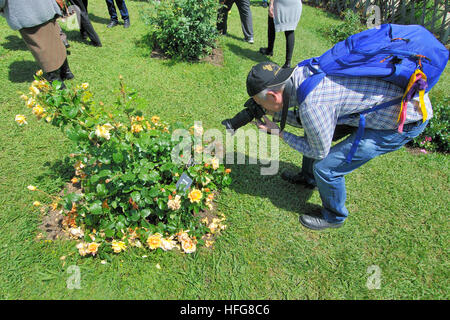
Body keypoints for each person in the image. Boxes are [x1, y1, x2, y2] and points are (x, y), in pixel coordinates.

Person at [245, 61, 433, 230]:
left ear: (272, 95)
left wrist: (280, 133)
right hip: (383, 105)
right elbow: (309, 121)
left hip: (401, 122)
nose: (262, 107)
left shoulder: (313, 104)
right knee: (314, 132)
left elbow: (317, 150)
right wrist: (276, 116)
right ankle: (308, 178)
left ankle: (335, 216)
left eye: (260, 103)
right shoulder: (301, 73)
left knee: (326, 167)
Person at [0, 0, 74, 86]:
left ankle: (56, 81)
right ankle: (66, 72)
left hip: (25, 13)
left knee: (40, 48)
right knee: (56, 40)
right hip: (45, 8)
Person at [259, 0, 302, 68]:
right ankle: (288, 62)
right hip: (296, 4)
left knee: (272, 21)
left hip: (282, 3)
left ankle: (269, 50)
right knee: (290, 30)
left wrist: (271, 3)